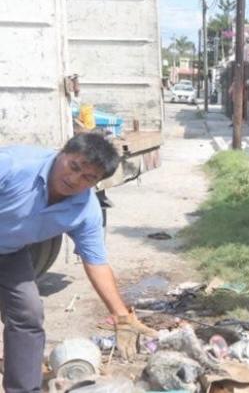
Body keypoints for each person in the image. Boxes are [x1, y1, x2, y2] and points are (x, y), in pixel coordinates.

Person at [0, 133, 156, 393]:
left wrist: (121, 316)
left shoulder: (85, 210)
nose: (74, 179)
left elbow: (96, 262)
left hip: (10, 252)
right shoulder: (12, 165)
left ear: (97, 182)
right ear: (62, 152)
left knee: (29, 313)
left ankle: (24, 390)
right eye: (74, 166)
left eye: (88, 177)